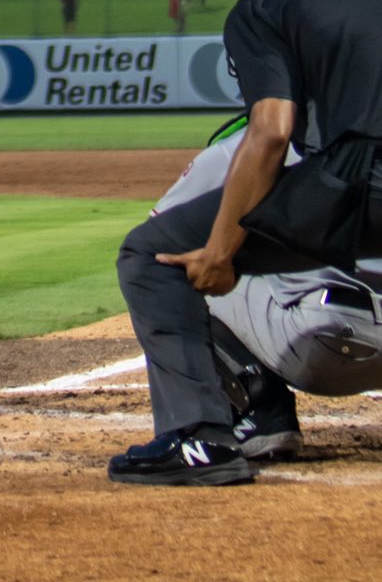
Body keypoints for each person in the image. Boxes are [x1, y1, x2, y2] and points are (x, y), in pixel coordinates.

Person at [110, 0, 381, 487]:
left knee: (151, 255)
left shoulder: (270, 4)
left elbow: (271, 130)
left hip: (354, 186)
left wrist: (222, 252)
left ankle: (200, 440)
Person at [150, 125, 382, 460]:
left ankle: (257, 411)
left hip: (327, 347)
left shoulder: (245, 146)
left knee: (179, 265)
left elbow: (156, 245)